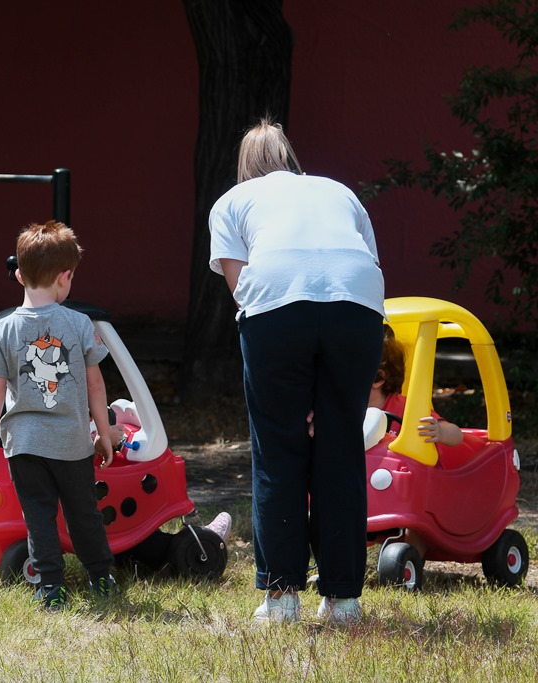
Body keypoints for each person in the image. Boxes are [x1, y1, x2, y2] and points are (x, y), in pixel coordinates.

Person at [208, 119, 385, 625]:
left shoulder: (232, 202)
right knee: (341, 448)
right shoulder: (339, 192)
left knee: (278, 451)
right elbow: (363, 268)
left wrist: (293, 394)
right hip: (357, 310)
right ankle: (344, 601)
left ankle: (282, 599)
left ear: (246, 166)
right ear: (290, 158)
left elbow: (245, 291)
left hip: (277, 313)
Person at [0, 220, 116, 609]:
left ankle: (51, 587)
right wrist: (104, 433)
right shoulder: (78, 323)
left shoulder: (2, 330)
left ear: (19, 275)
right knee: (83, 513)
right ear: (65, 276)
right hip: (71, 443)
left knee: (38, 516)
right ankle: (101, 577)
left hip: (23, 445)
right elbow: (96, 386)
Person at [371, 327, 464, 447]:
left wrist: (440, 432)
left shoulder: (406, 408)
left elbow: (457, 435)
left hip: (403, 465)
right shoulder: (347, 410)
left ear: (378, 378)